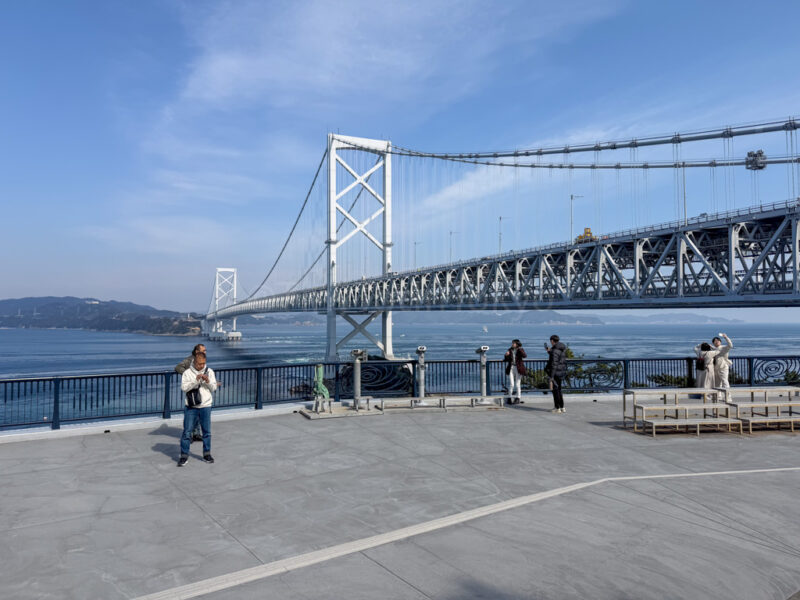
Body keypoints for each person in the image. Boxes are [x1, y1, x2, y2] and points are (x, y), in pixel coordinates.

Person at [178, 351, 217, 466]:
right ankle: (184, 456)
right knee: (187, 432)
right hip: (191, 407)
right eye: (199, 364)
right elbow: (184, 388)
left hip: (205, 406)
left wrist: (208, 381)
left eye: (203, 363)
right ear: (194, 362)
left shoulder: (209, 371)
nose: (201, 366)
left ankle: (207, 454)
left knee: (207, 432)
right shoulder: (187, 373)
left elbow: (213, 388)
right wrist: (196, 380)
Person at [176, 344, 206, 442]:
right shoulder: (189, 360)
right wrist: (188, 375)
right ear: (197, 351)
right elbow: (178, 367)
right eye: (203, 350)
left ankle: (196, 434)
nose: (205, 352)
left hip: (199, 389)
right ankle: (189, 435)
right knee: (190, 414)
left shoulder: (201, 359)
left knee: (197, 413)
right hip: (191, 390)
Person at [545, 335, 568, 413]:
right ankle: (562, 407)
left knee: (555, 390)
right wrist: (550, 352)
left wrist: (551, 376)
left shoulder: (554, 350)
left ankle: (557, 407)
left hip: (555, 372)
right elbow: (559, 359)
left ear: (552, 341)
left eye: (550, 341)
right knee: (559, 390)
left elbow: (554, 363)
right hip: (561, 371)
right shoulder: (562, 349)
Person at [503, 339, 527, 404]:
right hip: (511, 367)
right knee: (511, 384)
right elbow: (506, 360)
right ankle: (509, 398)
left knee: (517, 384)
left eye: (513, 343)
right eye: (512, 343)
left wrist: (520, 350)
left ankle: (518, 398)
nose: (512, 344)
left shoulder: (520, 350)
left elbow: (524, 356)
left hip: (518, 368)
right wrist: (506, 355)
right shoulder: (510, 350)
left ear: (517, 344)